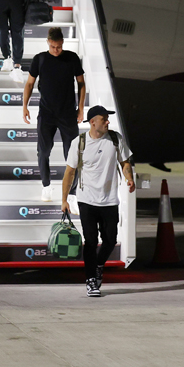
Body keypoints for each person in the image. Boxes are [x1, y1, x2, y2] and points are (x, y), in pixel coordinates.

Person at [61, 105, 134, 297]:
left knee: (110, 240)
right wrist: (64, 200)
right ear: (93, 122)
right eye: (104, 119)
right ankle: (91, 279)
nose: (108, 122)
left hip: (109, 200)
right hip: (87, 200)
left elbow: (125, 161)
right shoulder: (80, 142)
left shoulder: (115, 139)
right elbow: (69, 172)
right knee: (91, 241)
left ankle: (99, 265)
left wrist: (129, 178)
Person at [22, 27, 86, 201]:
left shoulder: (71, 58)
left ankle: (71, 194)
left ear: (62, 43)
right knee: (43, 151)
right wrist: (24, 106)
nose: (55, 50)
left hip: (67, 114)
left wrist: (81, 108)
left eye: (58, 47)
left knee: (72, 154)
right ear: (48, 43)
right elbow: (29, 84)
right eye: (52, 47)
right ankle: (46, 186)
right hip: (47, 114)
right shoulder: (40, 59)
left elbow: (81, 83)